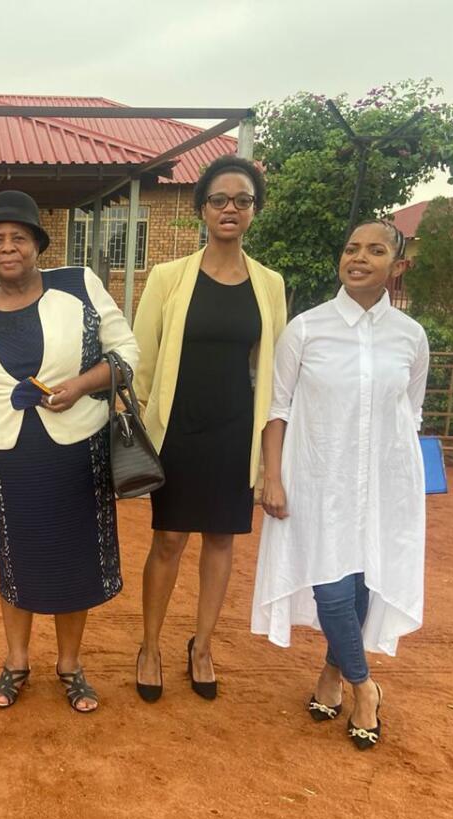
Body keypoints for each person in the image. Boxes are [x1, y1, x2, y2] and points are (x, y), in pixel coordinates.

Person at [0, 190, 139, 713]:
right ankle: (16, 662)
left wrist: (81, 385)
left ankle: (70, 665)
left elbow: (127, 354)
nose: (7, 248)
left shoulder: (78, 285)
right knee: (16, 558)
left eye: (19, 237)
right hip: (8, 453)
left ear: (37, 244)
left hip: (77, 445)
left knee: (73, 556)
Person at [253, 220, 429, 750]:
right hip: (317, 481)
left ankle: (332, 673)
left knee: (361, 585)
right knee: (330, 586)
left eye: (375, 250)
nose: (359, 258)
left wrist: (401, 485)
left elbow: (410, 414)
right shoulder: (306, 329)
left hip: (382, 486)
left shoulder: (411, 337)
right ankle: (365, 686)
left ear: (397, 266)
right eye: (351, 249)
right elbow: (277, 409)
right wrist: (272, 476)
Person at [131, 155, 287, 702]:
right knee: (169, 539)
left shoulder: (270, 284)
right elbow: (142, 359)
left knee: (221, 538)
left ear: (254, 211)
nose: (230, 209)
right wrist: (140, 428)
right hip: (177, 428)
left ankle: (201, 646)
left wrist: (268, 457)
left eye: (243, 200)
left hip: (234, 428)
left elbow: (272, 369)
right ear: (202, 208)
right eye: (219, 199)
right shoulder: (168, 277)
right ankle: (150, 647)